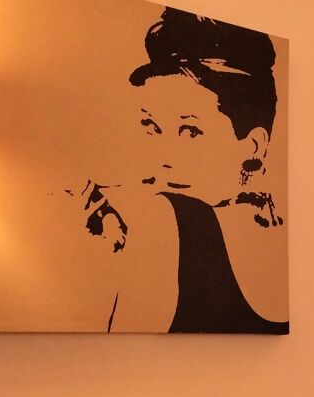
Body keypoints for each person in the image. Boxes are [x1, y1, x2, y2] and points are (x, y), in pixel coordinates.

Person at [89, 7, 288, 334]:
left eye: (191, 132)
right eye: (152, 127)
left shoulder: (162, 219)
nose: (163, 156)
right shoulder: (282, 246)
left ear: (253, 146)